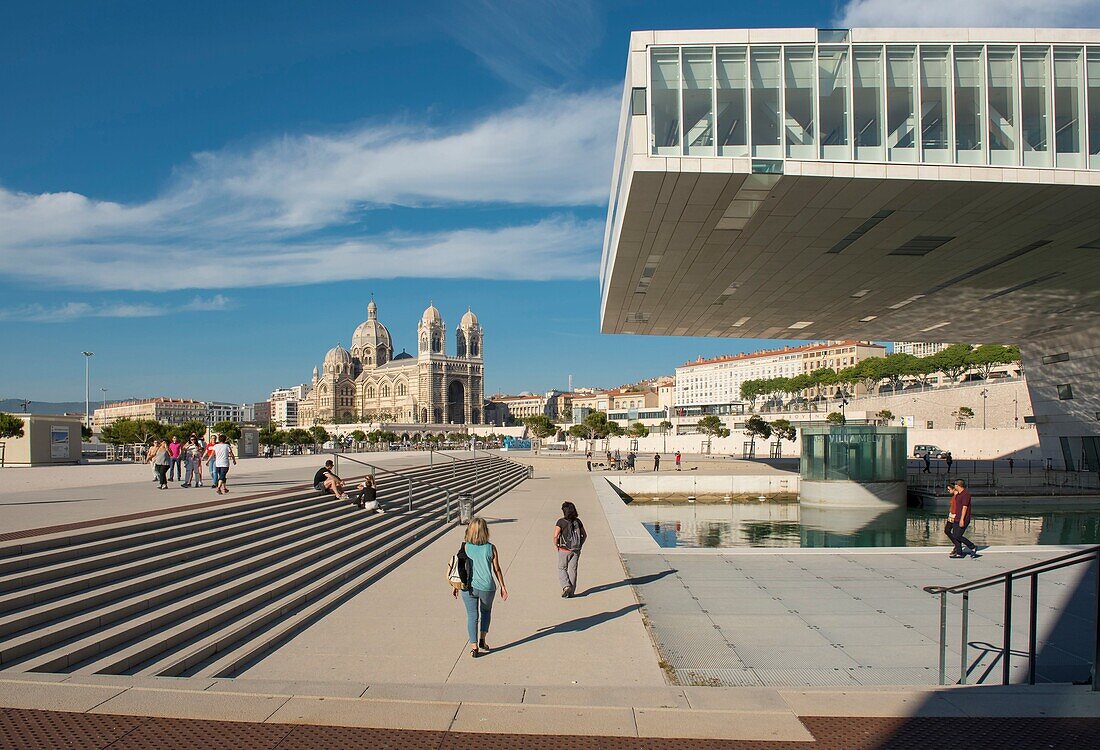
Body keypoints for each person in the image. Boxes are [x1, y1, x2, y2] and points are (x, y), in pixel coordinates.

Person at [452, 517, 508, 658]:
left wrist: (455, 586)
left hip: (468, 586)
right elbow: (497, 569)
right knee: (486, 612)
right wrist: (503, 586)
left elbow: (460, 568)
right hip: (487, 587)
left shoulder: (465, 547)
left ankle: (474, 646)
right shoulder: (491, 548)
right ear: (485, 531)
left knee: (472, 616)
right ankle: (483, 639)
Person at [553, 501, 587, 598]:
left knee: (562, 568)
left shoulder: (561, 522)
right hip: (576, 549)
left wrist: (557, 546)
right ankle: (571, 593)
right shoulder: (578, 521)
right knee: (573, 570)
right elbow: (585, 535)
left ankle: (566, 586)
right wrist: (580, 545)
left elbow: (555, 536)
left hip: (564, 549)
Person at [946, 478, 979, 559]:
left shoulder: (965, 494)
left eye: (955, 484)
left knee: (957, 535)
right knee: (955, 535)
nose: (955, 486)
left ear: (958, 485)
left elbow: (964, 508)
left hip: (963, 518)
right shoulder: (958, 495)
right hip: (956, 517)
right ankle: (959, 552)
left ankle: (972, 546)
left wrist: (962, 519)